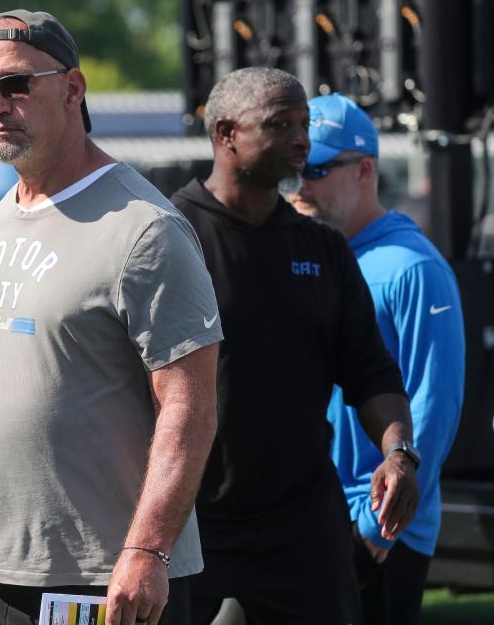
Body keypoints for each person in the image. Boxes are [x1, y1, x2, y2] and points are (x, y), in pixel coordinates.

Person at [0, 9, 223, 625]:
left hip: (95, 578)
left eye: (16, 84)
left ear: (73, 89)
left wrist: (146, 551)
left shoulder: (145, 228)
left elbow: (189, 408)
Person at [169, 67, 420, 625]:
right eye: (281, 124)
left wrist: (398, 452)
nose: (302, 140)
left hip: (300, 518)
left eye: (304, 124)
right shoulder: (167, 235)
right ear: (227, 134)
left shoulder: (323, 248)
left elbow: (371, 371)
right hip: (185, 518)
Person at [289, 93, 465, 625]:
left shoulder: (413, 269)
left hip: (379, 526)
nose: (301, 185)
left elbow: (434, 405)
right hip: (312, 517)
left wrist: (376, 526)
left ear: (364, 170)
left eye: (317, 169)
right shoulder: (316, 254)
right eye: (295, 168)